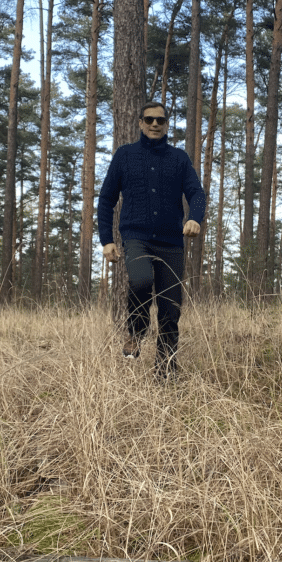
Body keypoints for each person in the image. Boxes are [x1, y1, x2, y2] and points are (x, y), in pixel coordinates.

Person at [97, 101, 206, 377]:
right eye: (149, 119)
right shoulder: (125, 156)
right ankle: (135, 330)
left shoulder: (179, 159)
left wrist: (195, 217)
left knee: (171, 308)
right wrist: (106, 240)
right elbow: (107, 199)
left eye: (160, 120)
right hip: (136, 238)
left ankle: (166, 370)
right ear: (140, 123)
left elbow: (196, 193)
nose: (155, 124)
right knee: (141, 280)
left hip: (172, 243)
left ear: (167, 124)